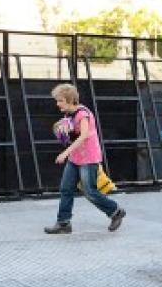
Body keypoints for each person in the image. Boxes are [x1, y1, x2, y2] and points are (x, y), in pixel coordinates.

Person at [45, 83, 125, 234]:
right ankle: (63, 223)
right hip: (75, 158)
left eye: (60, 100)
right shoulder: (68, 115)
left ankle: (116, 211)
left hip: (88, 158)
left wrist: (65, 153)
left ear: (70, 100)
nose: (57, 104)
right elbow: (70, 135)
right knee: (66, 189)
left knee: (89, 191)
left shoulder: (83, 114)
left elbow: (84, 136)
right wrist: (62, 133)